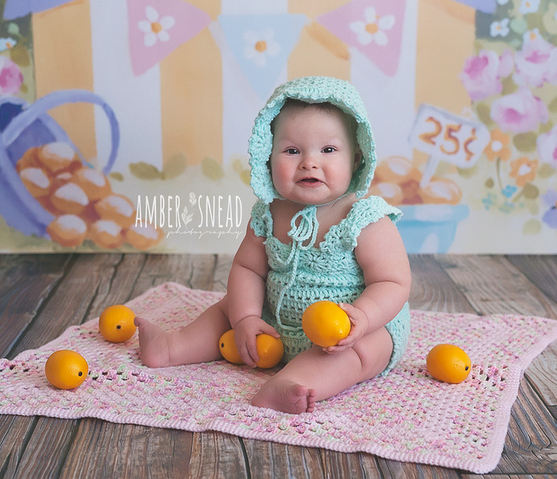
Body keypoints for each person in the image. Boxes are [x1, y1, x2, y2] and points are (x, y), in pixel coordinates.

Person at [135, 76, 411, 414]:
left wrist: (364, 318)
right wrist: (247, 318)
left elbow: (393, 281)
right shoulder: (269, 214)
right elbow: (248, 269)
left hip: (349, 331)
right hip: (273, 321)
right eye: (292, 150)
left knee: (362, 353)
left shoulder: (364, 219)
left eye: (328, 150)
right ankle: (171, 347)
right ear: (268, 158)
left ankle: (292, 384)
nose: (310, 162)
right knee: (228, 309)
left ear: (355, 158)